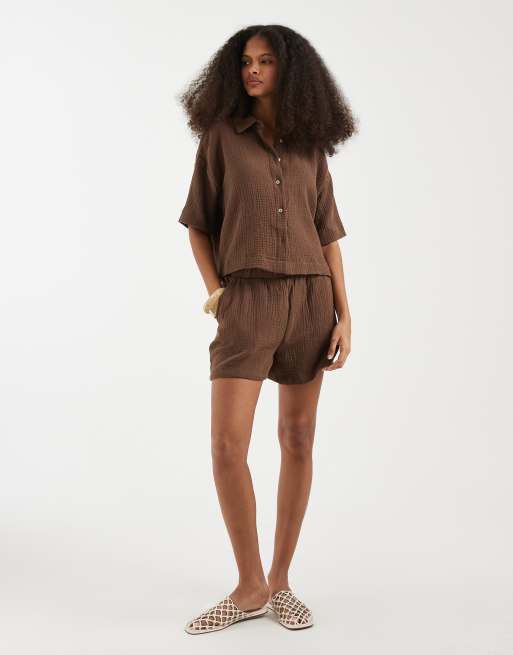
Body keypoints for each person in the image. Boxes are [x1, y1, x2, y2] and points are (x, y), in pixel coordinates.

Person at [177, 24, 357, 634]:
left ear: (290, 70)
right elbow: (198, 224)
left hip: (310, 300)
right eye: (245, 61)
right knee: (227, 446)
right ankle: (249, 584)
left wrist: (344, 314)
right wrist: (217, 293)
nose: (252, 71)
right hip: (246, 300)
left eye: (265, 61)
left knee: (297, 438)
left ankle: (280, 581)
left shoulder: (311, 145)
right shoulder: (221, 137)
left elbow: (328, 234)